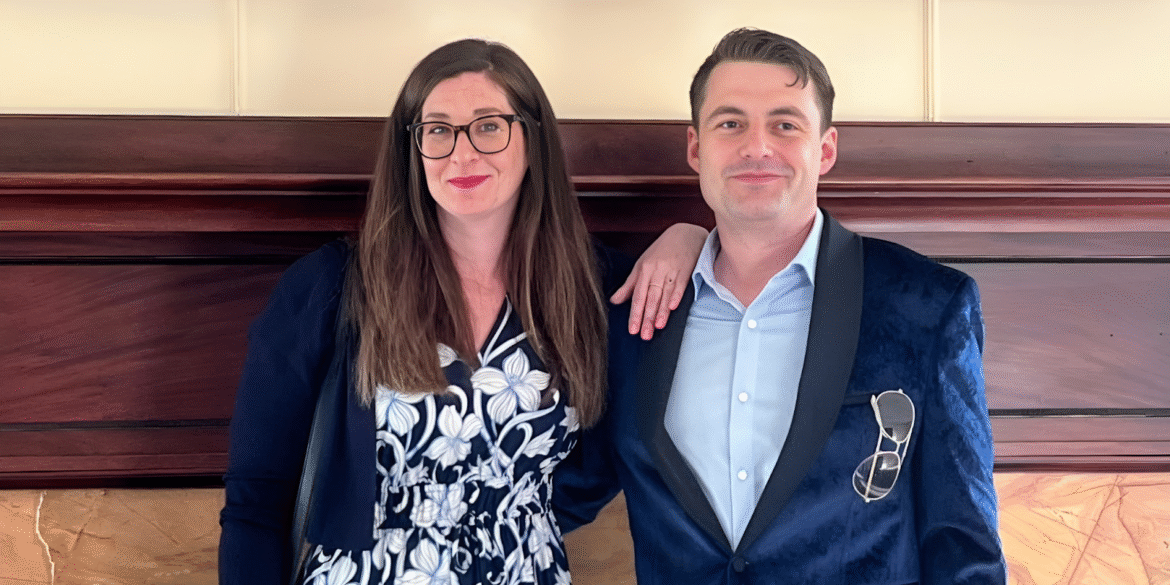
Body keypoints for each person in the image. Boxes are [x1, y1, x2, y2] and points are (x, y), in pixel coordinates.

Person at [218, 38, 705, 584]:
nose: (462, 153)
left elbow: (605, 461)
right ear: (414, 147)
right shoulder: (331, 287)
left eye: (489, 125)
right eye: (438, 130)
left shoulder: (598, 289)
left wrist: (690, 236)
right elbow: (256, 502)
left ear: (533, 138)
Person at [554, 28, 1006, 584]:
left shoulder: (928, 305)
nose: (757, 147)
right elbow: (566, 487)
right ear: (696, 148)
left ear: (826, 148)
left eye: (785, 124)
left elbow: (963, 546)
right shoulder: (635, 312)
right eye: (730, 123)